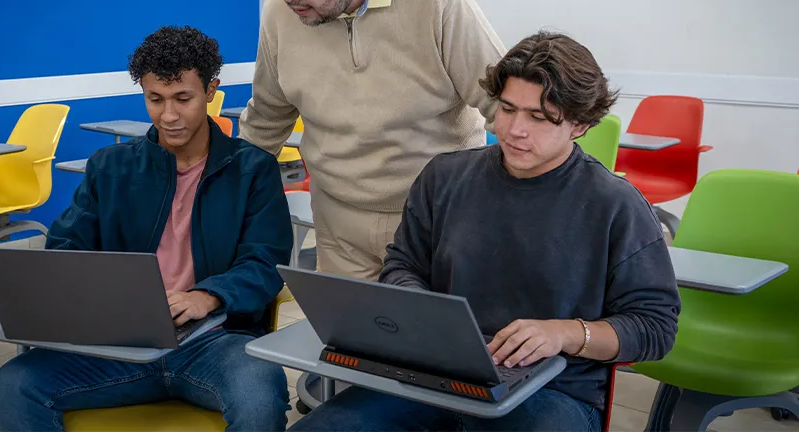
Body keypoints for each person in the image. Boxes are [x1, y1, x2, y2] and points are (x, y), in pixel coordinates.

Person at [290, 32, 681, 431]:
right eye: (508, 109)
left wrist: (564, 333)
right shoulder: (444, 177)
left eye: (539, 118)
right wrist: (420, 313)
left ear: (580, 125)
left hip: (551, 390)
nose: (515, 130)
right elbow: (402, 266)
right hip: (434, 373)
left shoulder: (616, 205)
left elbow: (656, 327)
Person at [0, 26, 294, 431]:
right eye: (155, 99)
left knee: (259, 391)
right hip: (120, 345)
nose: (169, 115)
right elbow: (66, 248)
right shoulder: (110, 167)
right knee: (12, 384)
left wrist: (208, 296)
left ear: (210, 90)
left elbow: (265, 261)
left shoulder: (253, 169)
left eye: (183, 98)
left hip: (213, 341)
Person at [239, 0, 507, 281]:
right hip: (339, 219)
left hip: (435, 217)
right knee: (349, 340)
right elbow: (266, 117)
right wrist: (229, 194)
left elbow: (502, 101)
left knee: (431, 338)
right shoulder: (279, 13)